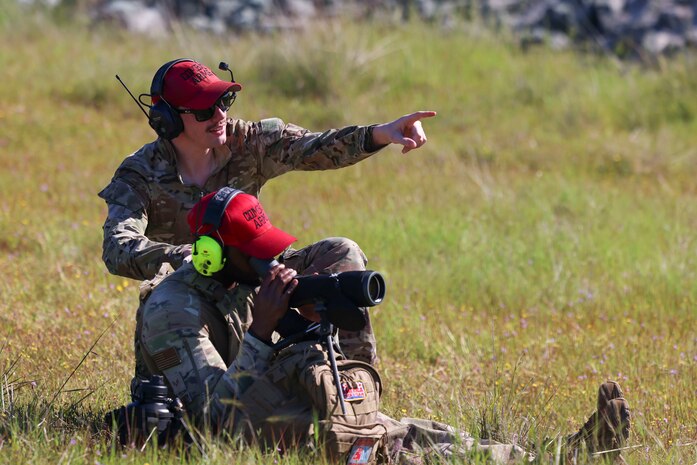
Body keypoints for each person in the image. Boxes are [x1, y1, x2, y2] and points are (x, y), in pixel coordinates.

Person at [135, 189, 631, 465]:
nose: (273, 260)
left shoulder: (241, 278)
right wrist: (263, 334)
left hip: (268, 393)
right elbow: (216, 422)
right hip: (223, 425)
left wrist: (308, 318)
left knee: (407, 429)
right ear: (212, 256)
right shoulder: (172, 311)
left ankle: (556, 455)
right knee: (379, 446)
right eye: (258, 253)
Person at [99, 58, 436, 370]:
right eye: (203, 110)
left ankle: (354, 380)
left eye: (223, 102)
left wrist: (380, 134)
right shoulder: (140, 174)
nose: (219, 115)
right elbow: (118, 247)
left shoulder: (249, 141)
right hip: (189, 300)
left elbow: (315, 147)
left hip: (253, 278)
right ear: (168, 120)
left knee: (342, 252)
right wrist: (187, 255)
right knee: (209, 405)